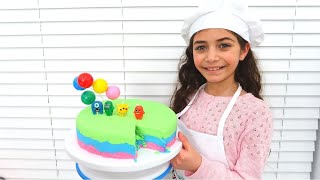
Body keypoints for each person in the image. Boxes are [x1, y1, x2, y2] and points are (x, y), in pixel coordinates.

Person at [169, 0, 273, 179]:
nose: (211, 57)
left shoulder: (255, 113)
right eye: (201, 47)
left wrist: (197, 166)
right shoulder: (188, 98)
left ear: (243, 50)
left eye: (224, 45)